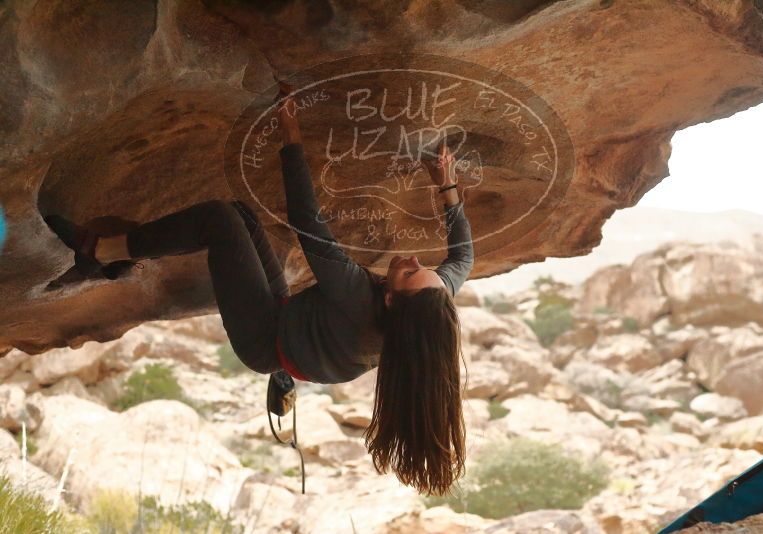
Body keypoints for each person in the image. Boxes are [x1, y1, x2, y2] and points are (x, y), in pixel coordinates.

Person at [44, 82, 474, 497]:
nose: (415, 262)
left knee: (218, 221)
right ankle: (120, 260)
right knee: (241, 216)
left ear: (389, 299)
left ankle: (99, 250)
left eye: (408, 274)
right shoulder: (423, 309)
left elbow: (307, 220)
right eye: (425, 269)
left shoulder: (356, 296)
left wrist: (290, 132)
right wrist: (447, 186)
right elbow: (463, 260)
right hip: (291, 324)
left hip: (265, 340)